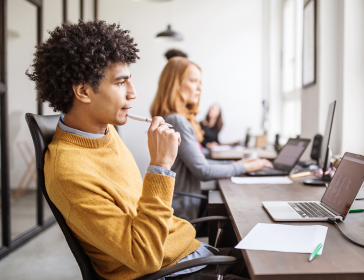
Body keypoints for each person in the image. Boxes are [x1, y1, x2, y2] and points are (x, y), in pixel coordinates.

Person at [26, 20, 248, 280]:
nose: (133, 93)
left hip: (188, 253)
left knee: (264, 253)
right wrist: (161, 167)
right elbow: (145, 257)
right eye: (121, 83)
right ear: (84, 91)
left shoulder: (103, 132)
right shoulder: (69, 171)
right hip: (170, 271)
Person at [150, 57, 273, 220]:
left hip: (182, 204)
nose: (199, 88)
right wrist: (244, 168)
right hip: (181, 210)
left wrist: (238, 164)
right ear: (175, 84)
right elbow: (203, 170)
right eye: (194, 81)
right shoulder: (177, 120)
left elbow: (200, 162)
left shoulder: (173, 118)